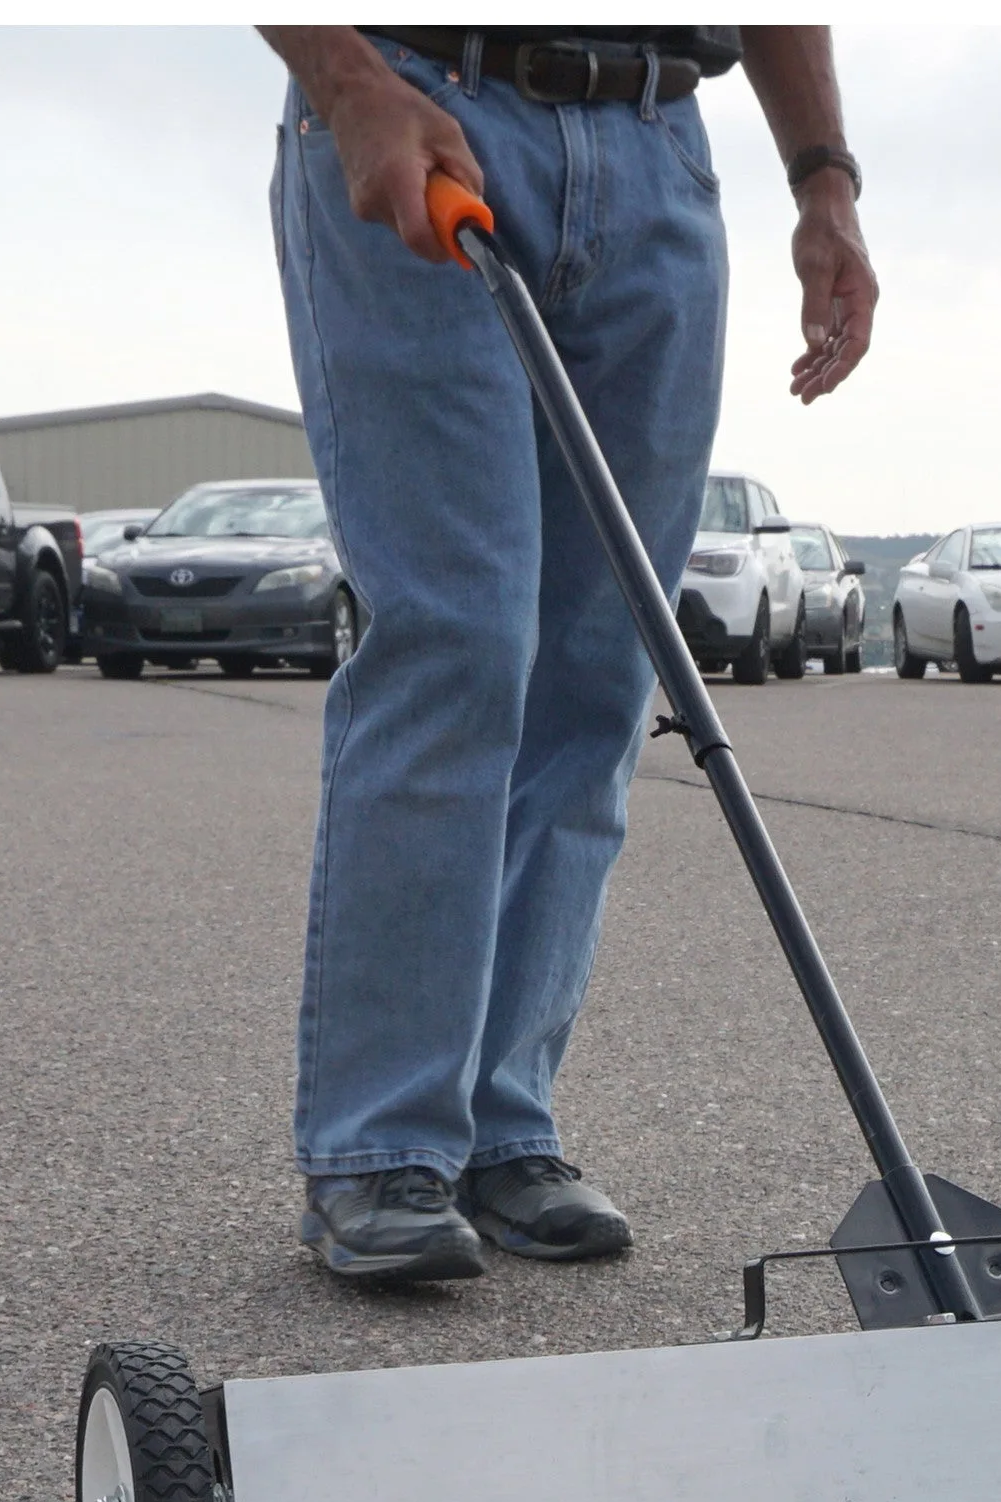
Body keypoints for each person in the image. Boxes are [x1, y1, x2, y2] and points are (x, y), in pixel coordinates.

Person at [258, 25, 875, 1280]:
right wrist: (349, 84)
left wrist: (824, 182)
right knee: (459, 642)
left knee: (601, 672)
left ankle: (499, 1125)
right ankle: (381, 1147)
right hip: (424, 95)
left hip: (658, 141)